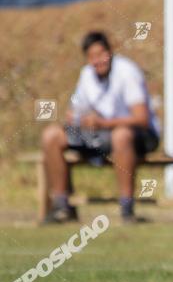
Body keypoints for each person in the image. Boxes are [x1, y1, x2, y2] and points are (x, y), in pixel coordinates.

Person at [40, 31, 160, 224]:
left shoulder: (127, 72)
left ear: (110, 52)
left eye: (101, 54)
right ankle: (62, 206)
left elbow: (141, 118)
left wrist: (103, 123)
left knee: (121, 136)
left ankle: (127, 209)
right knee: (51, 135)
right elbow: (74, 112)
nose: (98, 61)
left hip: (141, 135)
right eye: (92, 57)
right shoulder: (86, 75)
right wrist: (79, 119)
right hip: (101, 135)